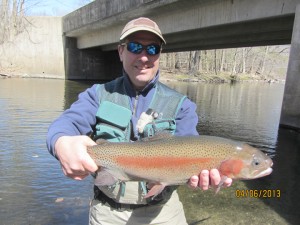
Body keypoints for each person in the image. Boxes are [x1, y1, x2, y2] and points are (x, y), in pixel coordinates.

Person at [47, 17, 232, 225]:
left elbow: (193, 147)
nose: (144, 57)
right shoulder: (97, 95)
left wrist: (204, 170)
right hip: (107, 213)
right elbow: (65, 124)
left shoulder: (182, 106)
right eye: (135, 47)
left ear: (159, 54)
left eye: (152, 49)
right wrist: (61, 142)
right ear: (120, 51)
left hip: (163, 213)